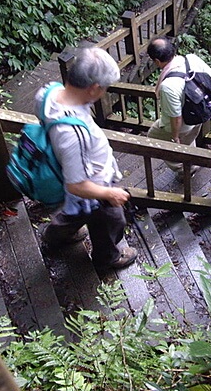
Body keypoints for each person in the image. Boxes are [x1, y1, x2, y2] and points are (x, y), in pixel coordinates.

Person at [37, 47, 138, 270]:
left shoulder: (48, 93)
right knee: (112, 221)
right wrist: (110, 193)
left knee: (73, 213)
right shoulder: (73, 135)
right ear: (94, 88)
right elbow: (76, 185)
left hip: (67, 171)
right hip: (92, 187)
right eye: (104, 88)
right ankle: (107, 258)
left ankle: (55, 236)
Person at [147, 37, 211, 177]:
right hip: (199, 115)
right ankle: (193, 160)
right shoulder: (191, 59)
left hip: (183, 124)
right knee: (189, 139)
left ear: (157, 61)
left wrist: (175, 137)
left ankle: (186, 169)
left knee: (152, 138)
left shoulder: (168, 86)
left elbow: (176, 118)